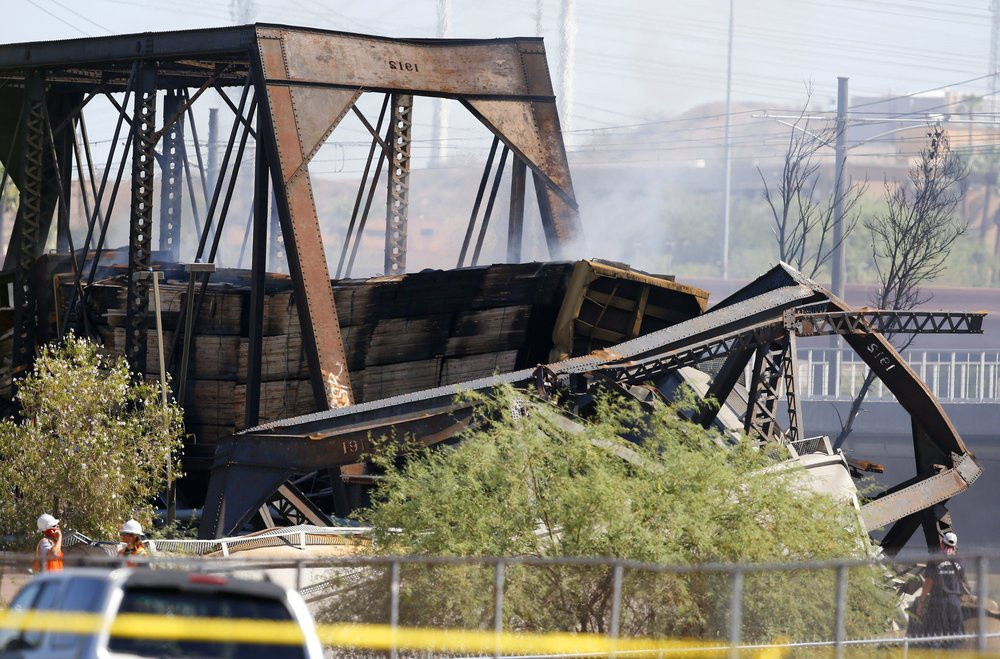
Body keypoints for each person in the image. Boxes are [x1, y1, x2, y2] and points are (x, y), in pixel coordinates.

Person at [915, 531, 970, 648]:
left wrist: (921, 603)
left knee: (935, 636)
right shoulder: (960, 560)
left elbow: (928, 582)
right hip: (954, 602)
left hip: (938, 601)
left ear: (941, 543)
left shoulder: (935, 559)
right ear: (955, 546)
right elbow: (962, 581)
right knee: (953, 637)